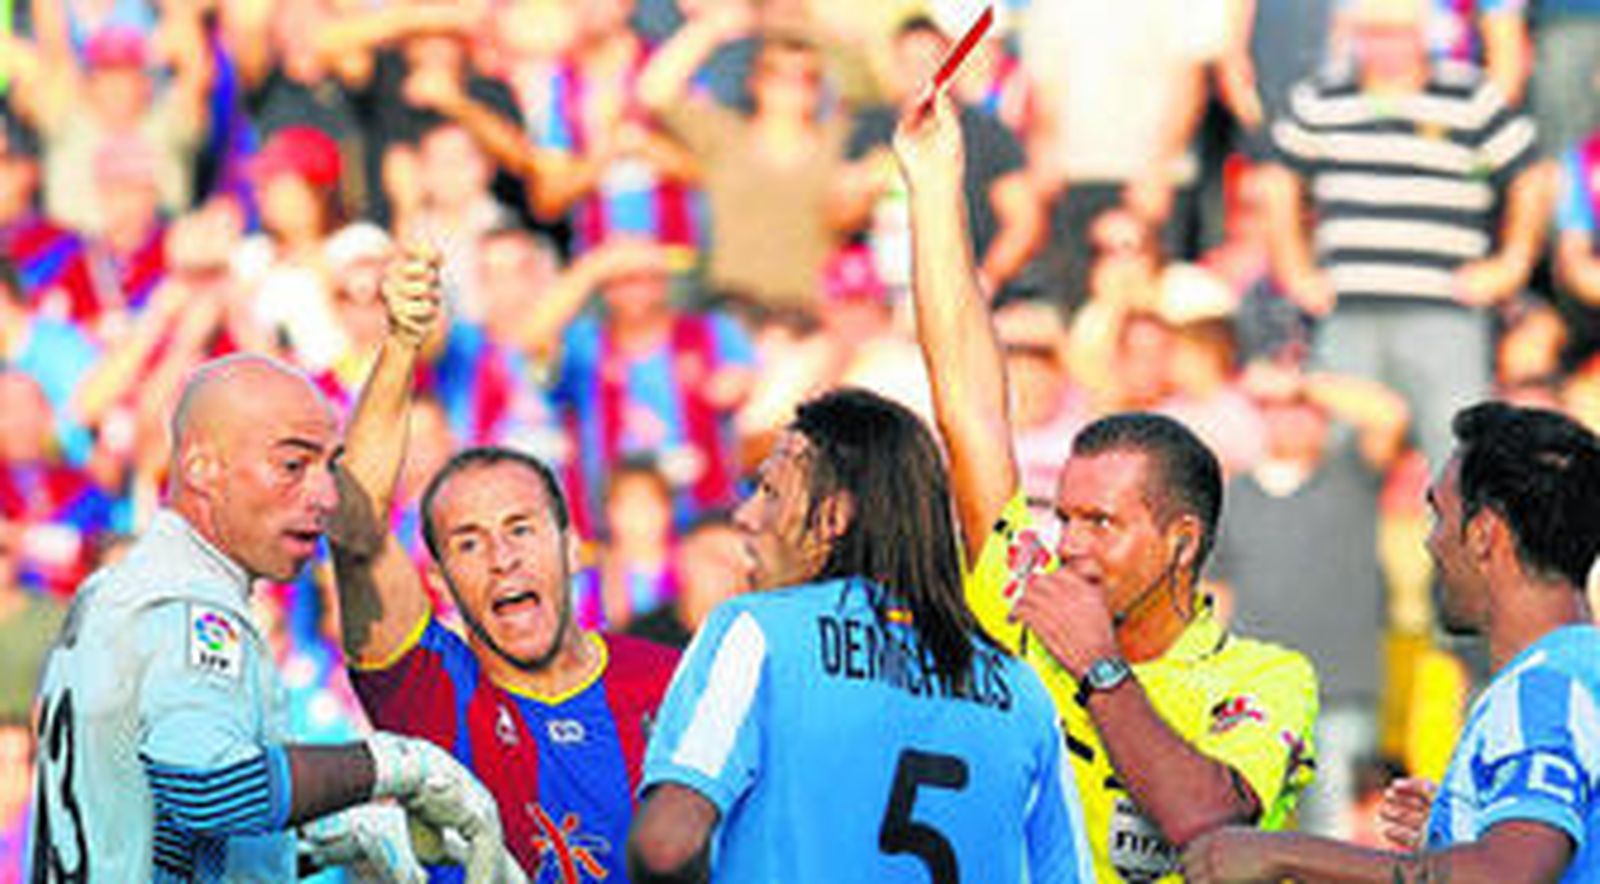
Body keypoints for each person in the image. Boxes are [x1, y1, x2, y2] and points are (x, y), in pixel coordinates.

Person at [898, 90, 1319, 882]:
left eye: (1102, 522)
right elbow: (970, 409)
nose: (1072, 547)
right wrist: (932, 186)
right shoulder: (1029, 596)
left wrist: (1100, 669)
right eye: (1066, 517)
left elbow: (1210, 824)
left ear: (1181, 542)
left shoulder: (1264, 680)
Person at [28, 351, 516, 881]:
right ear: (201, 469)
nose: (327, 495)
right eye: (292, 466)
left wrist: (342, 838)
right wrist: (403, 767)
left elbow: (150, 828)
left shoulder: (112, 589)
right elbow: (208, 789)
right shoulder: (188, 607)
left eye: (329, 465)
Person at [625, 388, 1094, 882]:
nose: (744, 516)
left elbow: (665, 847)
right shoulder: (1020, 690)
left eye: (769, 493)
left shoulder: (757, 633)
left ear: (834, 517)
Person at [329, 247, 681, 881]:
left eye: (521, 529)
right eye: (467, 542)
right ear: (437, 580)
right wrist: (404, 345)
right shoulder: (431, 693)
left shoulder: (669, 682)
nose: (501, 558)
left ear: (573, 548)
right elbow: (354, 528)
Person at [1184, 402, 1600, 883]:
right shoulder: (1577, 671)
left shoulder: (1542, 690)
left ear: (1484, 534)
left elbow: (1504, 876)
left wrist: (1285, 854)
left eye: (1440, 515)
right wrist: (1458, 828)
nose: (1431, 541)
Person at [1262, 0, 1547, 469]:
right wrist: (1294, 268)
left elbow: (1532, 177)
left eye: (1396, 32)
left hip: (1447, 308)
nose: (1384, 46)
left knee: (1458, 457)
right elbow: (1277, 180)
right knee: (1342, 460)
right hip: (1348, 307)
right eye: (1372, 32)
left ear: (1423, 34)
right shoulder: (1322, 97)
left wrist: (1511, 264)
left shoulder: (1469, 95)